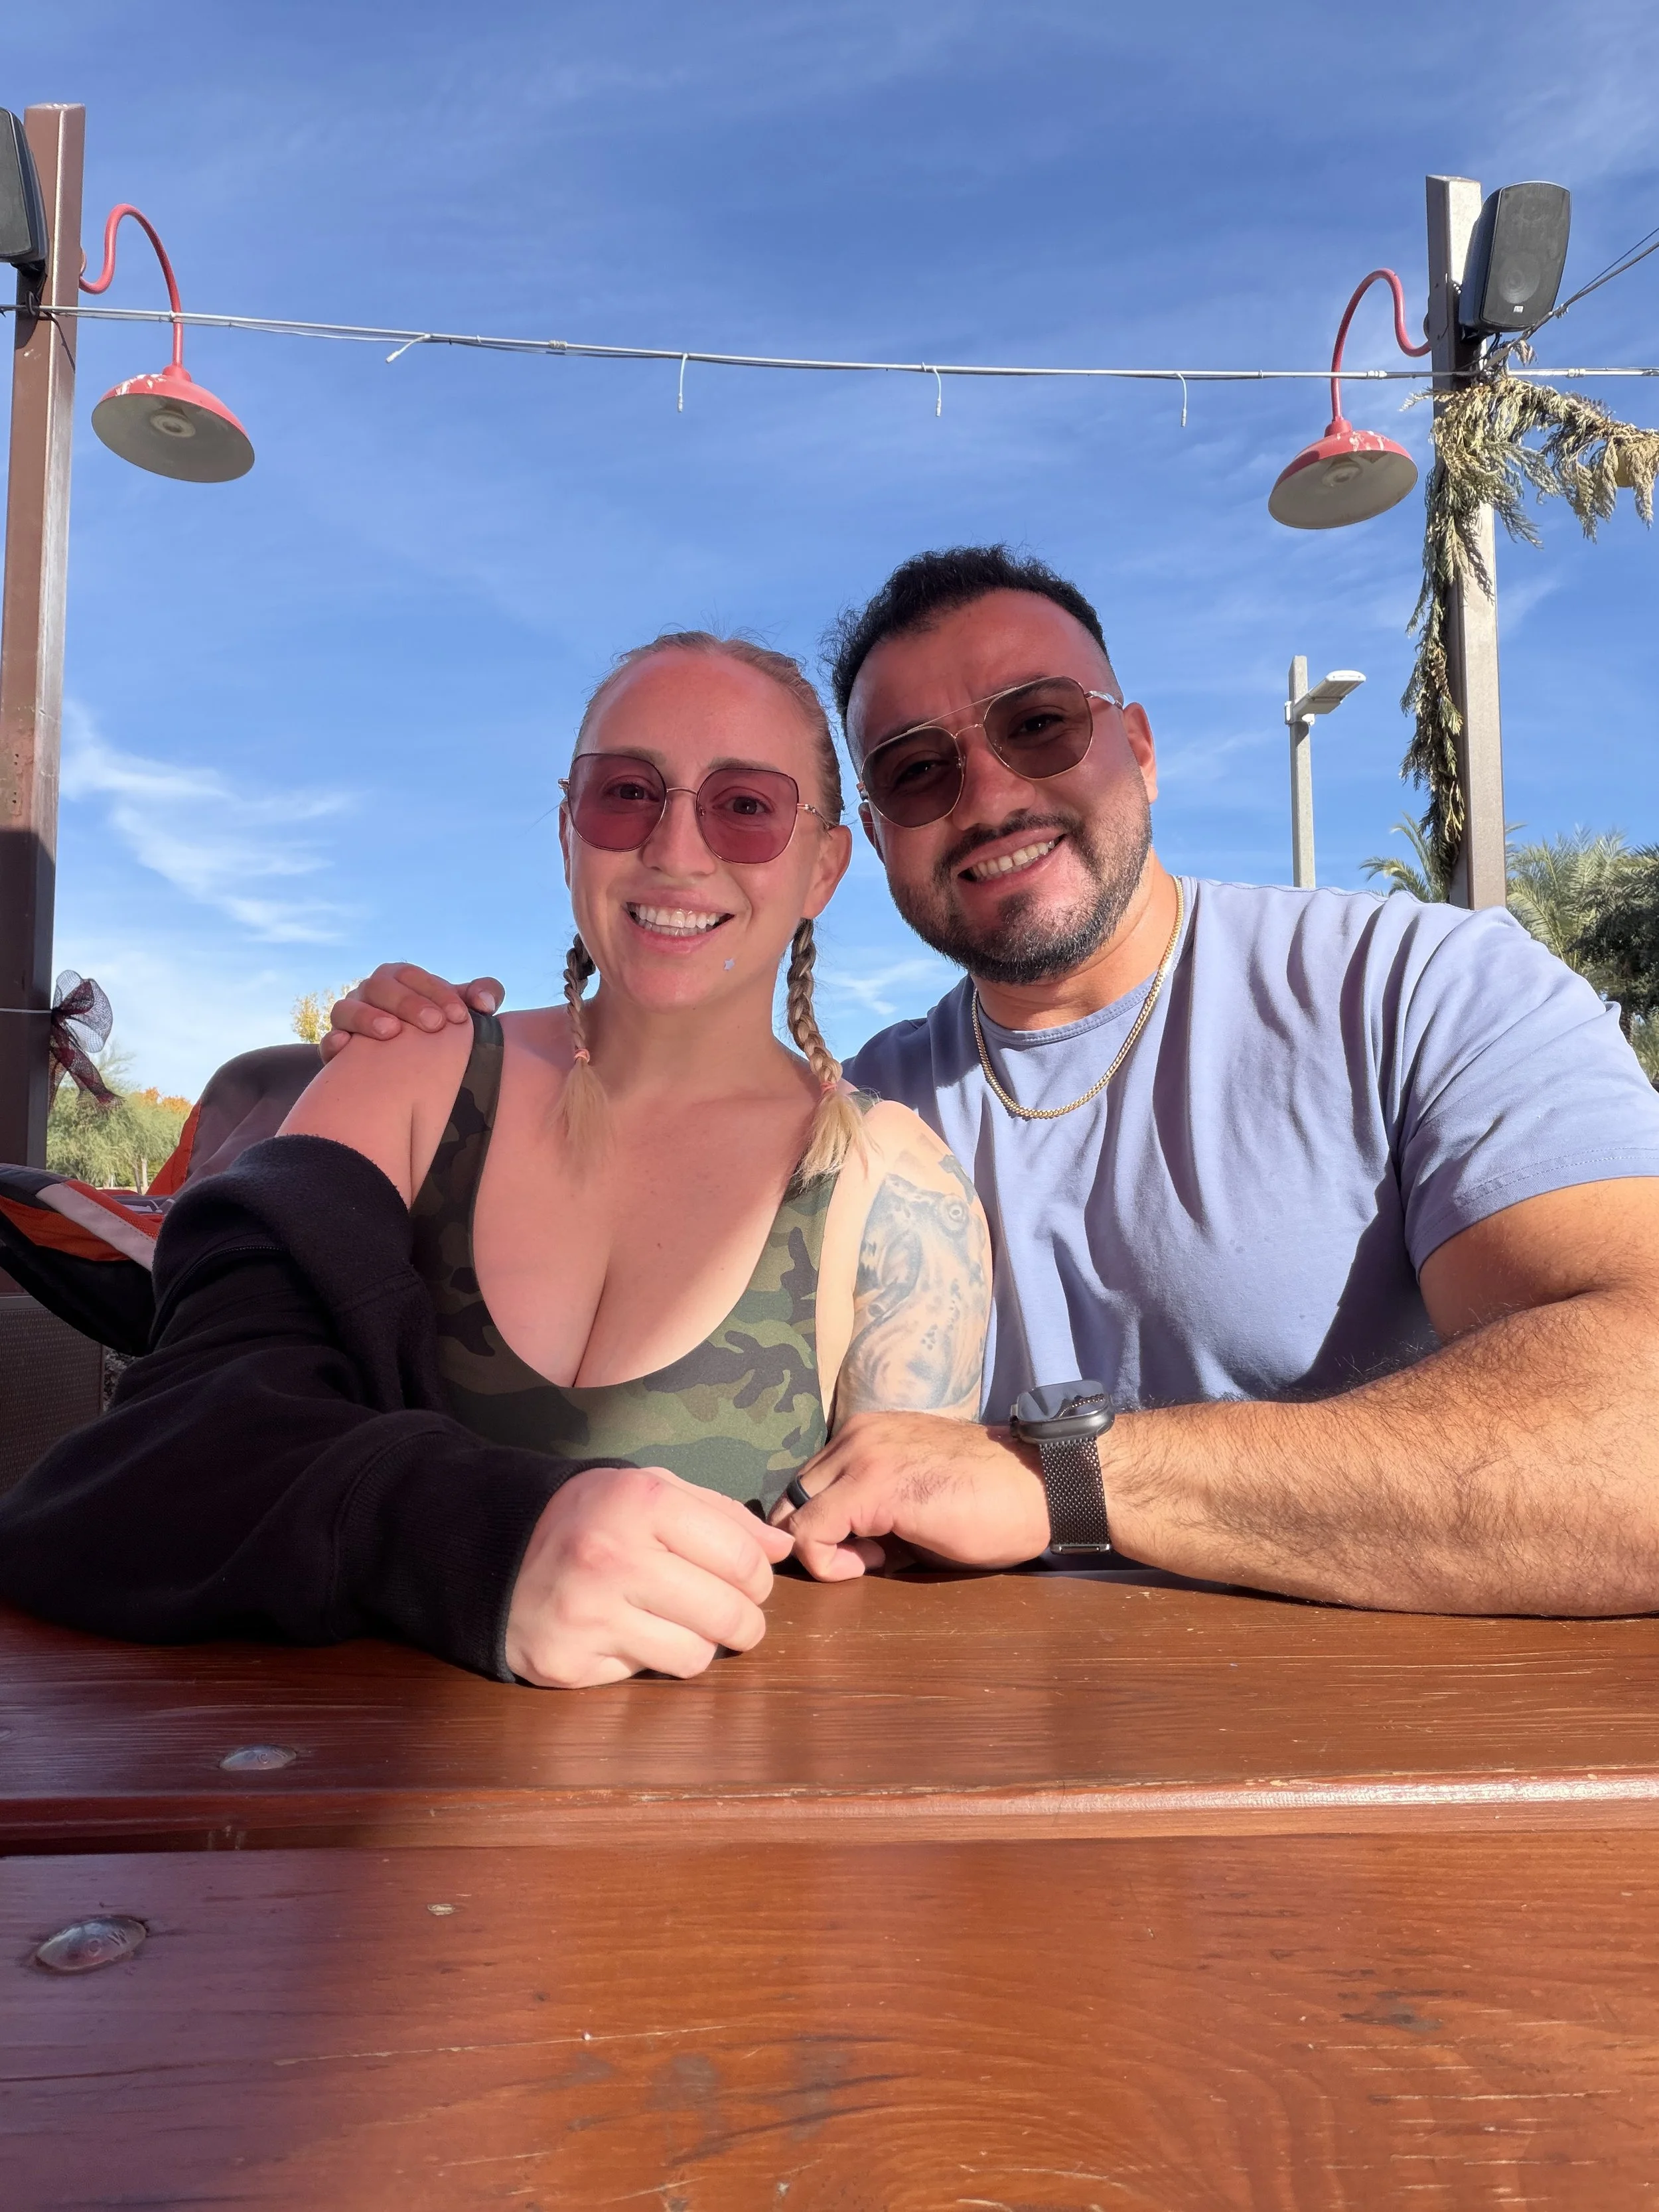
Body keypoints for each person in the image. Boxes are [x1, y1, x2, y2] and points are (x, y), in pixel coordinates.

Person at [333, 546, 1659, 1617]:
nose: (984, 793)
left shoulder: (1411, 990)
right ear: (864, 849)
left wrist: (1064, 1482)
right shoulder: (848, 1118)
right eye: (916, 768)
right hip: (976, 1803)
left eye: (1035, 724)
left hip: (1408, 1805)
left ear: (1135, 746)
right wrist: (442, 1065)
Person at [0, 632, 991, 1686]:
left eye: (744, 806)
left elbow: (889, 1643)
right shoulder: (406, 1081)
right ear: (570, 833)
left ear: (823, 867)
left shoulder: (892, 1188)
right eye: (625, 793)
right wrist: (481, 1546)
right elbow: (159, 1461)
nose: (677, 849)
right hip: (325, 1814)